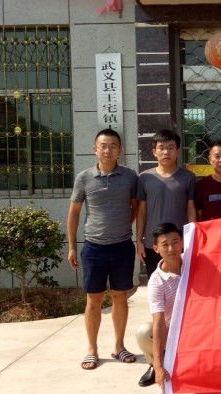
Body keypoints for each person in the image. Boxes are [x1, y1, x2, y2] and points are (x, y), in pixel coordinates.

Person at [67, 128, 138, 370]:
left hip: (122, 247)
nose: (108, 150)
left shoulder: (129, 176)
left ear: (120, 150)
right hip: (93, 248)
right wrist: (72, 247)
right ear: (95, 149)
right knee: (93, 300)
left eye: (113, 146)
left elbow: (135, 206)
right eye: (103, 146)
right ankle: (92, 349)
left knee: (120, 297)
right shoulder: (84, 178)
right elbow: (74, 213)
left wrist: (124, 225)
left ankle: (119, 346)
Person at [136, 130, 196, 278]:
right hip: (153, 243)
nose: (166, 152)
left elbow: (191, 209)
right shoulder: (144, 178)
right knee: (156, 283)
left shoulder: (188, 177)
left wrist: (191, 238)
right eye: (161, 148)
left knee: (182, 283)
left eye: (170, 148)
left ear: (178, 151)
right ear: (154, 152)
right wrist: (139, 240)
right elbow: (141, 212)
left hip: (180, 242)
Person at [135, 223, 183, 388]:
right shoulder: (156, 282)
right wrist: (158, 365)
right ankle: (155, 363)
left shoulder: (193, 261)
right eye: (165, 244)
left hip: (199, 327)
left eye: (175, 242)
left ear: (182, 243)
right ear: (156, 249)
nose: (171, 248)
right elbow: (159, 322)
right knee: (144, 332)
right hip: (174, 330)